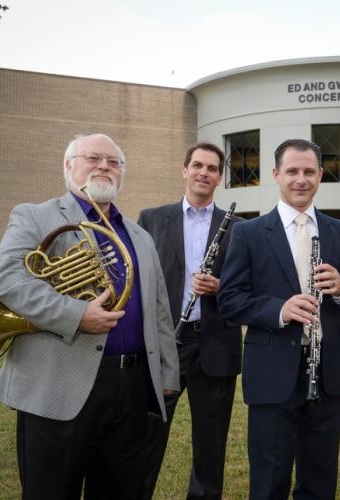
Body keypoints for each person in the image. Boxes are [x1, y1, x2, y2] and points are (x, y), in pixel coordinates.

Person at [0, 133, 180, 499]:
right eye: (93, 158)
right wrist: (76, 315)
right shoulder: (35, 215)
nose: (104, 166)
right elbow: (7, 279)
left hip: (132, 385)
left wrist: (168, 371)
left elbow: (158, 309)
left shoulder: (139, 235)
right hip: (58, 383)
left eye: (114, 162)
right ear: (68, 165)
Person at [218, 138, 340, 499]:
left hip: (327, 370)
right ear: (276, 174)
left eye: (309, 172)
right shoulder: (248, 232)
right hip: (271, 370)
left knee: (320, 478)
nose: (301, 179)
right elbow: (229, 300)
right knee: (269, 480)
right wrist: (279, 310)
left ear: (320, 175)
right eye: (292, 171)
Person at [138, 142, 242, 500]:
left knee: (211, 446)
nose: (204, 173)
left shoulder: (240, 228)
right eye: (197, 165)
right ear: (185, 169)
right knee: (148, 434)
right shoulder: (151, 219)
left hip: (215, 344)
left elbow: (249, 287)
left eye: (212, 168)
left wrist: (220, 286)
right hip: (165, 341)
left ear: (220, 177)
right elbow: (140, 280)